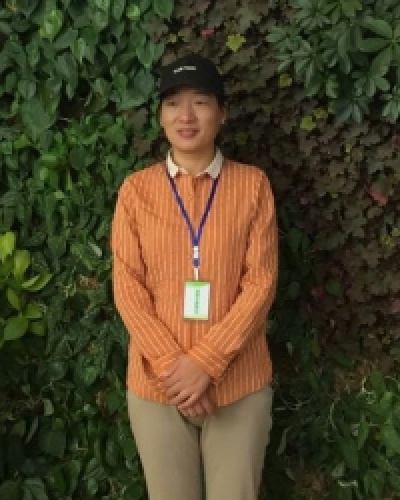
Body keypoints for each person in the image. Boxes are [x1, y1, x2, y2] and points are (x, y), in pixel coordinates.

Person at [111, 53, 278, 500]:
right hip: (157, 389)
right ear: (160, 116)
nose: (186, 116)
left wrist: (206, 362)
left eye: (200, 102)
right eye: (173, 103)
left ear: (222, 113)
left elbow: (261, 283)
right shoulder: (135, 191)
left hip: (239, 385)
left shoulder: (253, 186)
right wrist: (175, 369)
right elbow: (127, 288)